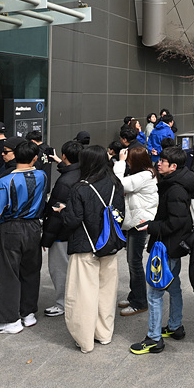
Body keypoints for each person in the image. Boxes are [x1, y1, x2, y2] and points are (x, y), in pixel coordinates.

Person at [54, 145, 126, 351]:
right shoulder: (116, 184)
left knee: (83, 294)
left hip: (86, 246)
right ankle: (104, 333)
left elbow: (73, 220)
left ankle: (85, 340)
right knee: (106, 292)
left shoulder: (81, 187)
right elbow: (120, 214)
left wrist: (63, 211)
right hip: (109, 245)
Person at [129, 144, 191, 354]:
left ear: (173, 166)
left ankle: (154, 338)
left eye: (163, 162)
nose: (158, 163)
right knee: (173, 286)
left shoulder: (175, 190)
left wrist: (151, 225)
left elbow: (176, 223)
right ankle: (175, 326)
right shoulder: (174, 184)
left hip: (167, 247)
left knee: (155, 293)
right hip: (171, 247)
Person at [0, 140, 47, 334]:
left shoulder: (4, 181)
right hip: (34, 226)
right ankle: (28, 313)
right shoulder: (42, 175)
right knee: (31, 270)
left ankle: (8, 320)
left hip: (11, 227)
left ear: (14, 156)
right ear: (35, 158)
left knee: (8, 273)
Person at [114, 146, 158, 318]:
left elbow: (118, 184)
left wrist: (121, 162)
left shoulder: (144, 175)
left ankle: (139, 302)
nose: (128, 162)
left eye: (130, 160)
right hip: (136, 221)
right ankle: (135, 296)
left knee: (134, 262)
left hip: (140, 223)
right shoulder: (145, 173)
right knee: (133, 261)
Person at [42, 140, 83, 318]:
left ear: (65, 156)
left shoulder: (64, 182)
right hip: (78, 230)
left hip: (61, 233)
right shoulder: (83, 173)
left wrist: (46, 238)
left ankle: (62, 303)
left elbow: (55, 213)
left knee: (60, 270)